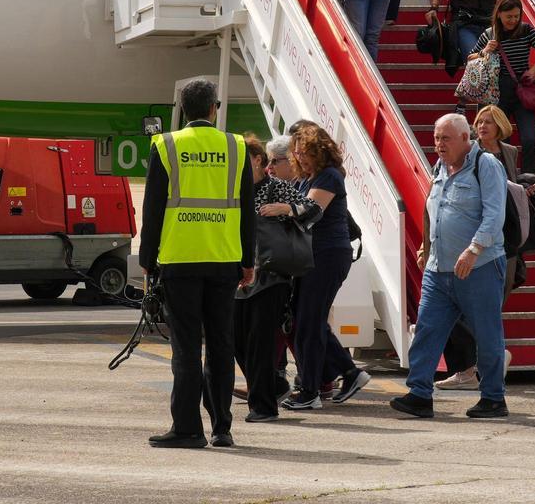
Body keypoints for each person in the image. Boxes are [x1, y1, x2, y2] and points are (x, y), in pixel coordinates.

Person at [139, 79, 256, 449]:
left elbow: (153, 207)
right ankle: (223, 428)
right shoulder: (236, 147)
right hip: (224, 260)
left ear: (184, 111)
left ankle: (188, 428)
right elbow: (247, 213)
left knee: (186, 347)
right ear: (213, 109)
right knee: (221, 345)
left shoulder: (168, 145)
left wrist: (147, 258)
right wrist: (248, 260)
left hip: (180, 260)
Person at [390, 113, 508, 419]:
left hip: (479, 267)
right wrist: (425, 247)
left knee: (487, 333)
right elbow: (436, 211)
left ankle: (494, 398)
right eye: (436, 137)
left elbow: (495, 216)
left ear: (465, 139)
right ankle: (419, 393)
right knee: (427, 330)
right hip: (438, 269)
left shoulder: (486, 166)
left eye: (446, 138)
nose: (439, 144)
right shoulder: (439, 167)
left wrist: (473, 249)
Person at [281, 124, 371, 410]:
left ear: (320, 152)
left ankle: (310, 390)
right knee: (304, 320)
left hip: (328, 255)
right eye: (297, 153)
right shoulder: (305, 178)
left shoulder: (329, 177)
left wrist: (282, 209)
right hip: (310, 256)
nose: (301, 158)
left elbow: (310, 211)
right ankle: (348, 371)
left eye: (306, 152)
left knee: (309, 321)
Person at [235, 135, 322, 423]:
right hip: (238, 275)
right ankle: (273, 385)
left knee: (260, 340)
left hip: (272, 274)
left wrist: (286, 209)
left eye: (243, 161)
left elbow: (314, 210)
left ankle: (263, 406)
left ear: (259, 161)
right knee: (236, 340)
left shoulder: (278, 188)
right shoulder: (231, 191)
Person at [437, 104, 518, 391]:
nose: (482, 126)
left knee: (487, 314)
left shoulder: (505, 155)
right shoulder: (455, 158)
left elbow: (500, 206)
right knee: (463, 311)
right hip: (461, 246)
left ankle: (489, 375)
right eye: (479, 121)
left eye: (489, 122)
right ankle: (471, 368)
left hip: (497, 244)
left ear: (500, 126)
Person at [471, 0, 535, 173]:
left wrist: (532, 72)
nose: (513, 20)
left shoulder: (526, 30)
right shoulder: (489, 34)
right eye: (509, 16)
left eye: (517, 16)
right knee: (502, 139)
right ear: (499, 14)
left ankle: (530, 178)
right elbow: (470, 58)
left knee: (530, 139)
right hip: (496, 91)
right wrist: (485, 50)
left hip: (521, 89)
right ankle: (506, 177)